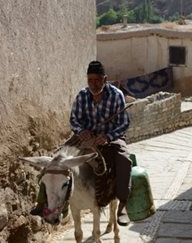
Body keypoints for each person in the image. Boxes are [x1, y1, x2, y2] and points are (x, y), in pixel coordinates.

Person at [31, 61, 132, 226]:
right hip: (84, 137)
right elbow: (74, 120)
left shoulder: (116, 95)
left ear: (105, 79)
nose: (94, 84)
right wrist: (81, 131)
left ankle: (123, 204)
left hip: (111, 137)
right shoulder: (82, 95)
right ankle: (42, 202)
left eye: (98, 80)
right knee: (54, 159)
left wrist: (107, 136)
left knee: (124, 160)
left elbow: (123, 123)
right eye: (90, 80)